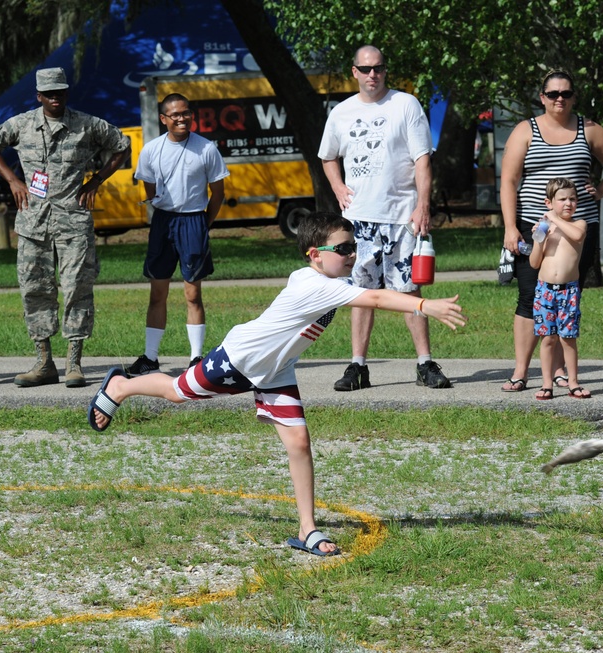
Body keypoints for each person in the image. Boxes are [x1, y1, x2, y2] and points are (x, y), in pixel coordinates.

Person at [87, 211, 466, 556]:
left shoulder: (325, 278)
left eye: (355, 246)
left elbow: (366, 294)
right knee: (177, 392)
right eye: (344, 248)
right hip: (240, 358)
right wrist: (423, 305)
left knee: (299, 442)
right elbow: (377, 298)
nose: (352, 254)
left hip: (276, 369)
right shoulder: (318, 285)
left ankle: (308, 529)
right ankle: (120, 386)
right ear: (315, 254)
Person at [0, 67, 131, 388]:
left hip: (73, 221)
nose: (55, 98)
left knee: (77, 286)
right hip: (33, 222)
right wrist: (12, 180)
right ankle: (44, 362)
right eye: (49, 93)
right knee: (35, 288)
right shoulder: (21, 124)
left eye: (59, 92)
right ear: (39, 96)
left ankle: (74, 362)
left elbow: (121, 145)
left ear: (66, 93)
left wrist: (96, 181)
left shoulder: (87, 125)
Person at [318, 44, 451, 392]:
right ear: (354, 72)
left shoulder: (405, 104)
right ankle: (357, 366)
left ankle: (425, 363)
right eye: (365, 69)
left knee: (409, 289)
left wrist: (423, 205)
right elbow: (327, 156)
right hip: (360, 218)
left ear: (385, 70)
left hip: (401, 215)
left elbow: (423, 160)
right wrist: (338, 187)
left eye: (377, 68)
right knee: (361, 292)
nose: (372, 75)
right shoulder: (341, 113)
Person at [500, 69, 603, 393]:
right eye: (553, 94)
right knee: (530, 297)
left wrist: (600, 190)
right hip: (536, 228)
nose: (560, 99)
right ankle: (521, 371)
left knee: (566, 297)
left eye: (566, 93)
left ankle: (559, 372)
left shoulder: (589, 129)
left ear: (573, 97)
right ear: (542, 97)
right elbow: (509, 181)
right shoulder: (524, 130)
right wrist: (511, 226)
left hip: (578, 232)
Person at [126, 93, 229, 377]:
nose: (182, 119)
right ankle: (150, 357)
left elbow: (218, 192)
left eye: (186, 113)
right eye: (175, 115)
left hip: (194, 220)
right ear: (164, 119)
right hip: (163, 222)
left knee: (192, 293)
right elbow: (148, 186)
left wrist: (204, 222)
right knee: (157, 292)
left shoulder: (206, 148)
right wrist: (163, 207)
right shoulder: (151, 149)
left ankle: (196, 358)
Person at [527, 178, 589, 400]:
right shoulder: (546, 228)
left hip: (568, 292)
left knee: (568, 338)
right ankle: (546, 384)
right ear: (549, 202)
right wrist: (539, 239)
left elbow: (577, 236)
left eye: (572, 199)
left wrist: (553, 218)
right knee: (548, 338)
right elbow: (534, 263)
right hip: (545, 291)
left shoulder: (579, 224)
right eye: (562, 199)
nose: (568, 203)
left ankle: (573, 382)